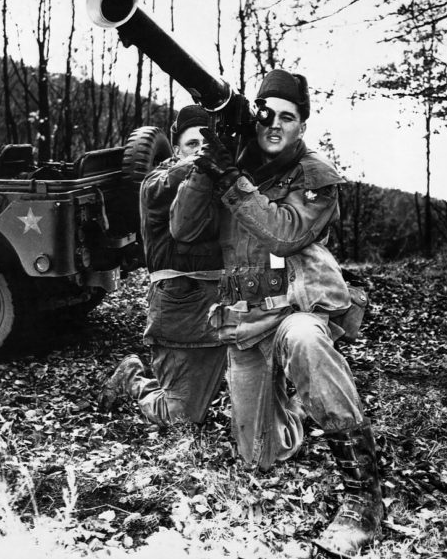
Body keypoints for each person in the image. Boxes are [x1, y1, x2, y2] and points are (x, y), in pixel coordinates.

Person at [169, 70, 383, 557]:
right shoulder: (232, 163)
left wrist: (231, 179)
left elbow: (283, 234)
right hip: (247, 315)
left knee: (305, 340)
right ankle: (299, 402)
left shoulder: (315, 176)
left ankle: (363, 492)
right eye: (267, 113)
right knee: (259, 456)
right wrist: (208, 166)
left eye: (288, 117)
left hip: (297, 307)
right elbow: (183, 229)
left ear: (302, 125)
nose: (275, 124)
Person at [98, 105, 227, 427]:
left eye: (206, 143)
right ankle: (133, 380)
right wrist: (203, 163)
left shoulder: (218, 181)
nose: (200, 150)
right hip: (180, 309)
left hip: (224, 306)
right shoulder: (157, 181)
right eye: (191, 144)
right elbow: (162, 187)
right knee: (181, 415)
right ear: (176, 147)